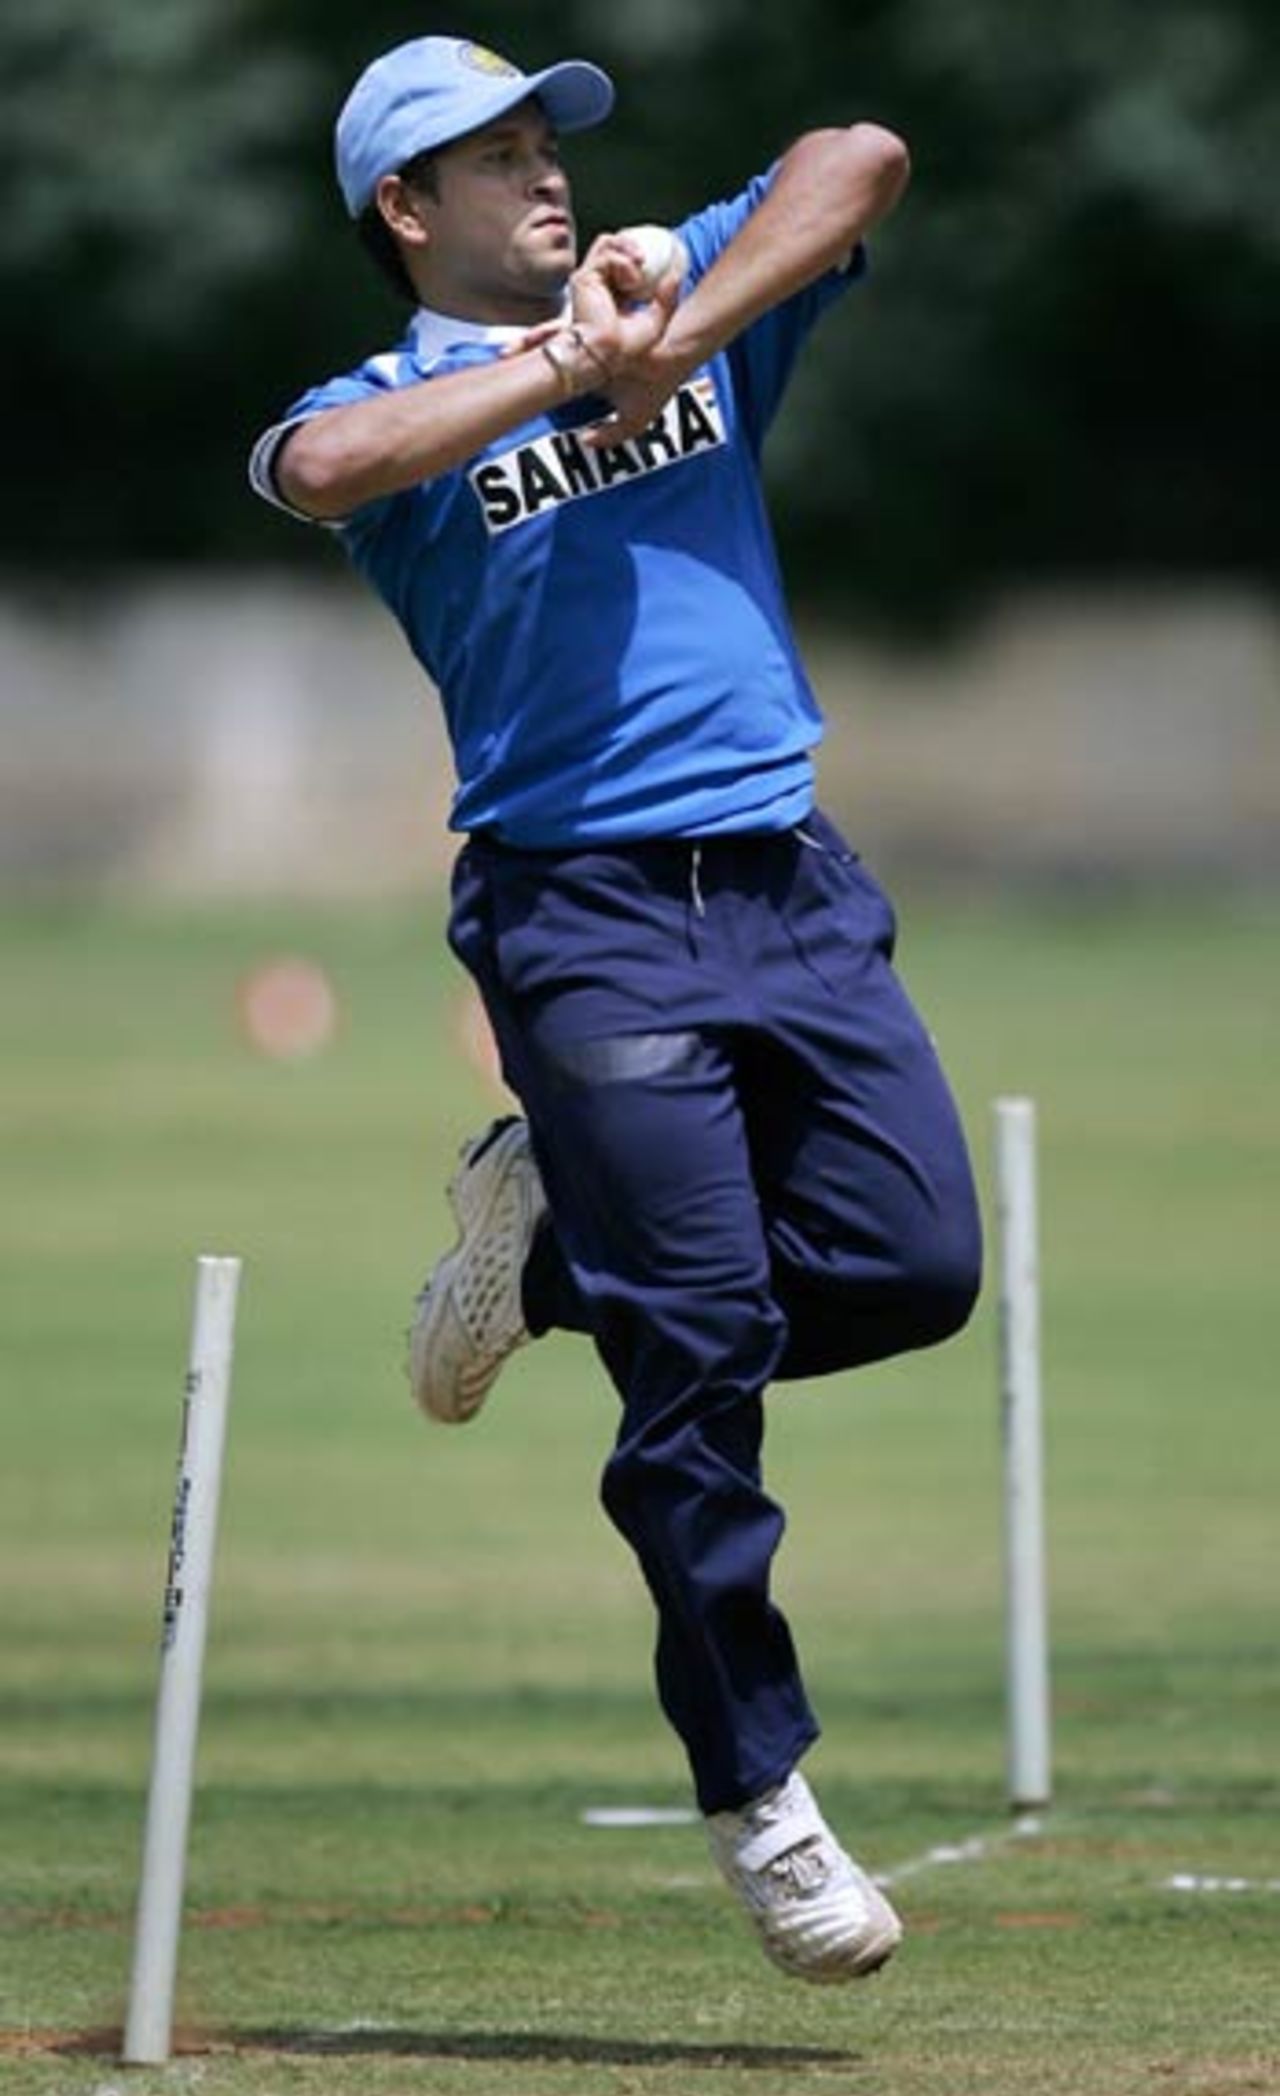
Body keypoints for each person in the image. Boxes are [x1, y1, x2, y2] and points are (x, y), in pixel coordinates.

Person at [249, 33, 982, 1986]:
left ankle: (556, 1249)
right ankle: (762, 1794)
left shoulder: (681, 293)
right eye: (490, 163)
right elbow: (321, 471)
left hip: (785, 882)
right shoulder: (386, 401)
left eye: (544, 148)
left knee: (914, 1268)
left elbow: (861, 145)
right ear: (404, 213)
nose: (544, 180)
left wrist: (680, 322)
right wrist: (572, 366)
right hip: (581, 919)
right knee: (703, 1370)